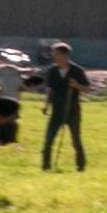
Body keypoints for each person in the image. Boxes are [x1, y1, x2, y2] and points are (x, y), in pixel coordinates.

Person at [39, 40, 91, 168]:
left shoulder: (77, 71)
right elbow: (50, 90)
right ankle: (46, 166)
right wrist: (46, 105)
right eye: (54, 54)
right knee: (48, 139)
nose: (54, 56)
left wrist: (76, 85)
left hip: (72, 111)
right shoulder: (52, 71)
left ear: (64, 55)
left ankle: (81, 165)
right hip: (57, 111)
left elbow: (87, 89)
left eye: (56, 54)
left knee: (76, 140)